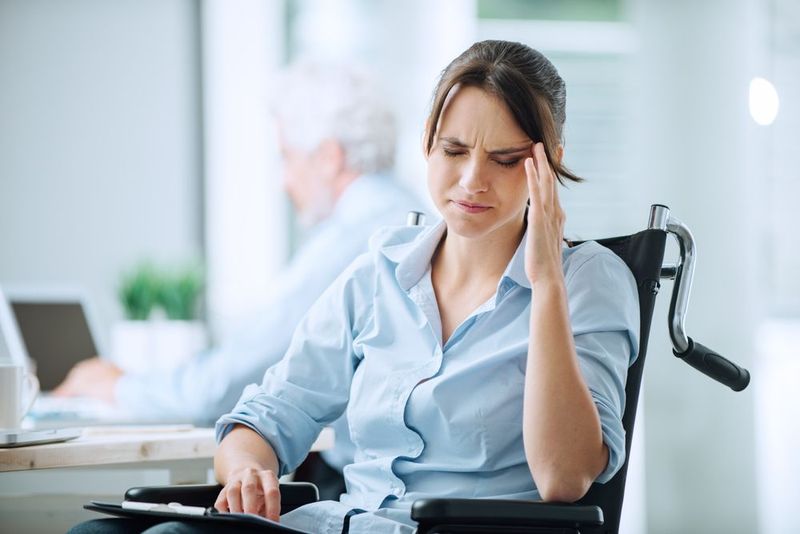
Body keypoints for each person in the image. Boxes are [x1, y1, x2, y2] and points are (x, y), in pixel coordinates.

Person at [70, 40, 639, 534]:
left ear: (549, 164)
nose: (472, 180)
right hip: (341, 524)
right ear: (427, 144)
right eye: (454, 150)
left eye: (506, 160)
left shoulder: (587, 281)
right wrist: (247, 469)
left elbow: (565, 477)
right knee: (98, 532)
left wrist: (544, 285)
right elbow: (268, 414)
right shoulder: (379, 273)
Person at [54, 60, 421, 495]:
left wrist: (120, 386)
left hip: (354, 488)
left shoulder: (357, 240)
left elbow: (221, 386)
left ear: (328, 157)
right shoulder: (411, 216)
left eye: (286, 157)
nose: (284, 181)